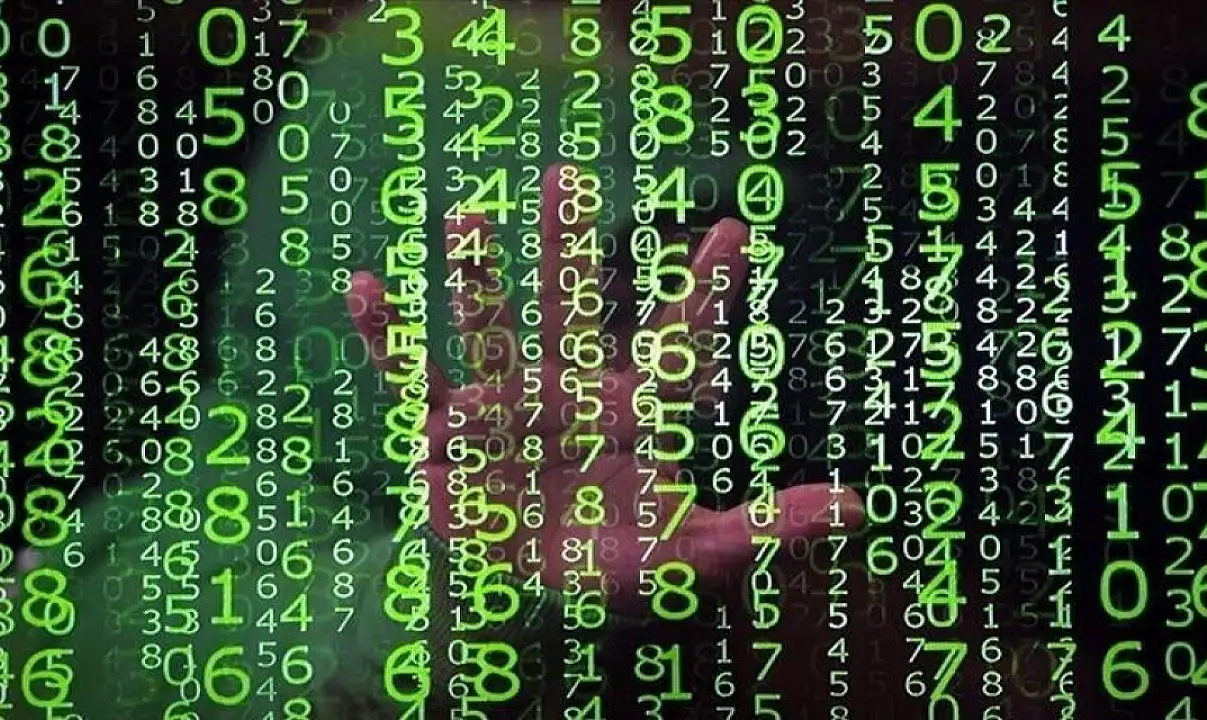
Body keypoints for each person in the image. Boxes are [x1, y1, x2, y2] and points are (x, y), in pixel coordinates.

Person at [4, 2, 873, 718]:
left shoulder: (708, 540)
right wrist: (466, 590)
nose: (696, 372)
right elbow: (232, 655)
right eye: (624, 293)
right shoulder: (153, 564)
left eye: (714, 306)